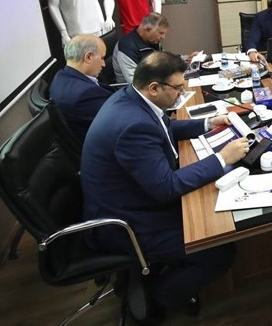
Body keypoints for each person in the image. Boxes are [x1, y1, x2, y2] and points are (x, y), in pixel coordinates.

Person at [81, 51, 249, 321]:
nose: (182, 94)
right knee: (217, 247)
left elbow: (165, 127)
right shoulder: (132, 126)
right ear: (154, 88)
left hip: (125, 199)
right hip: (125, 223)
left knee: (206, 212)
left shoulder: (130, 99)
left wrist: (208, 123)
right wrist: (222, 158)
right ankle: (162, 296)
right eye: (178, 88)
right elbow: (166, 188)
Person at [49, 34, 115, 143]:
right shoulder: (85, 94)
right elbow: (117, 121)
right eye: (102, 58)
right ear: (88, 57)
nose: (103, 64)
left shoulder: (61, 75)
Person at [114, 12, 168, 83]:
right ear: (148, 30)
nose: (163, 37)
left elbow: (163, 61)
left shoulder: (153, 41)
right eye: (161, 33)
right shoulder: (127, 48)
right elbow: (135, 82)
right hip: (131, 87)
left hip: (152, 79)